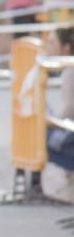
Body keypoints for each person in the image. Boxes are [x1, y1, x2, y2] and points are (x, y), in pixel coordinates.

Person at [42, 27, 74, 202]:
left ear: (66, 48)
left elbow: (70, 110)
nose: (48, 46)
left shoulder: (70, 72)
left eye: (53, 42)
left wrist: (52, 122)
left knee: (42, 138)